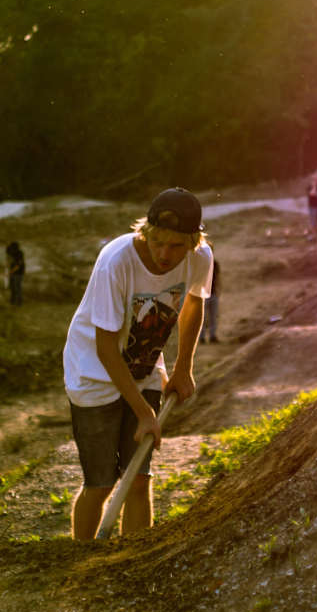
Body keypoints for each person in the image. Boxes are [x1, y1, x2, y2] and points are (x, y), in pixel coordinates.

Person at [63, 187, 213, 540]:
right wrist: (144, 412)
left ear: (193, 240)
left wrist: (182, 368)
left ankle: (132, 562)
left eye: (176, 246)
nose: (164, 254)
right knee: (100, 484)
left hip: (144, 366)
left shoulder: (200, 256)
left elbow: (193, 304)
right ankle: (81, 564)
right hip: (94, 373)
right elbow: (105, 347)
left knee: (138, 478)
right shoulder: (117, 262)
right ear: (146, 231)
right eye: (158, 242)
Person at [200, 251, 221, 343]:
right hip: (204, 294)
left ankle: (212, 335)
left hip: (212, 293)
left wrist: (218, 290)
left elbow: (218, 278)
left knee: (213, 316)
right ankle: (202, 337)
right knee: (203, 318)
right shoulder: (201, 264)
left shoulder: (215, 264)